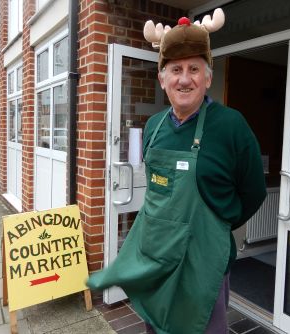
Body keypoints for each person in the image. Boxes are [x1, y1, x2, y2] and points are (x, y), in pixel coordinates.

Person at [87, 9, 267, 334]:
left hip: (204, 263)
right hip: (158, 258)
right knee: (155, 326)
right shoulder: (154, 127)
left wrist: (214, 225)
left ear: (208, 78)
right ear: (162, 78)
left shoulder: (231, 126)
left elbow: (253, 191)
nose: (185, 79)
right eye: (176, 70)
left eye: (194, 69)